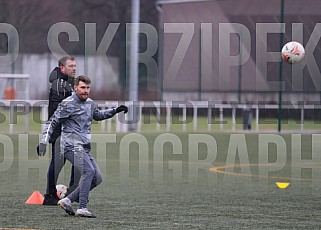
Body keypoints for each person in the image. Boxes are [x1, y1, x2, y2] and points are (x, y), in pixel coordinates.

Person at [37, 75, 128, 218]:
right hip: (69, 146)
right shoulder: (67, 104)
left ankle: (67, 200)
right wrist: (43, 141)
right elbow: (52, 122)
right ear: (75, 88)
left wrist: (115, 111)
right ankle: (82, 207)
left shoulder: (90, 103)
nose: (86, 91)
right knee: (89, 171)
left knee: (97, 178)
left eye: (88, 88)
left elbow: (98, 115)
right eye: (82, 88)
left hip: (84, 147)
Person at [41, 56, 77, 205]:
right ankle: (50, 195)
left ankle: (71, 194)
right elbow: (57, 111)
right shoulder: (59, 84)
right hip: (61, 132)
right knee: (58, 162)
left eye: (75, 65)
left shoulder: (67, 82)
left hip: (69, 131)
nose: (74, 68)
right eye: (71, 66)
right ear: (62, 68)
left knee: (76, 161)